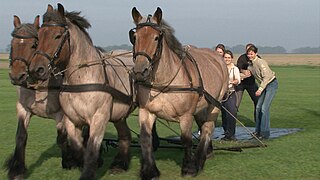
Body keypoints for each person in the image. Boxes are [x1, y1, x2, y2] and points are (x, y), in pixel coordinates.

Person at [247, 45, 278, 139]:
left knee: (264, 108)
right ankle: (257, 131)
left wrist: (260, 89)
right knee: (258, 107)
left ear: (256, 53)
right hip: (263, 86)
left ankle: (265, 133)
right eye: (248, 54)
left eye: (252, 54)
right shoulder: (250, 66)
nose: (250, 55)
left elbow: (267, 77)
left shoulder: (261, 62)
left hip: (271, 84)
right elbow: (247, 75)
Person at [221, 50, 241, 141]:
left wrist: (231, 82)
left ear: (232, 58)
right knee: (224, 114)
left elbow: (238, 80)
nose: (227, 59)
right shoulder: (220, 68)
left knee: (232, 113)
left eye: (229, 58)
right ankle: (226, 133)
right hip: (222, 94)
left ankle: (231, 134)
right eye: (225, 57)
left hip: (231, 92)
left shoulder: (235, 69)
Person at [236, 43, 259, 121]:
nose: (249, 53)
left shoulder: (258, 59)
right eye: (248, 50)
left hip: (251, 83)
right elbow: (238, 68)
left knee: (258, 101)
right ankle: (231, 121)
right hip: (240, 83)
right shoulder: (242, 58)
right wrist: (243, 71)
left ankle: (258, 121)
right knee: (236, 103)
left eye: (251, 51)